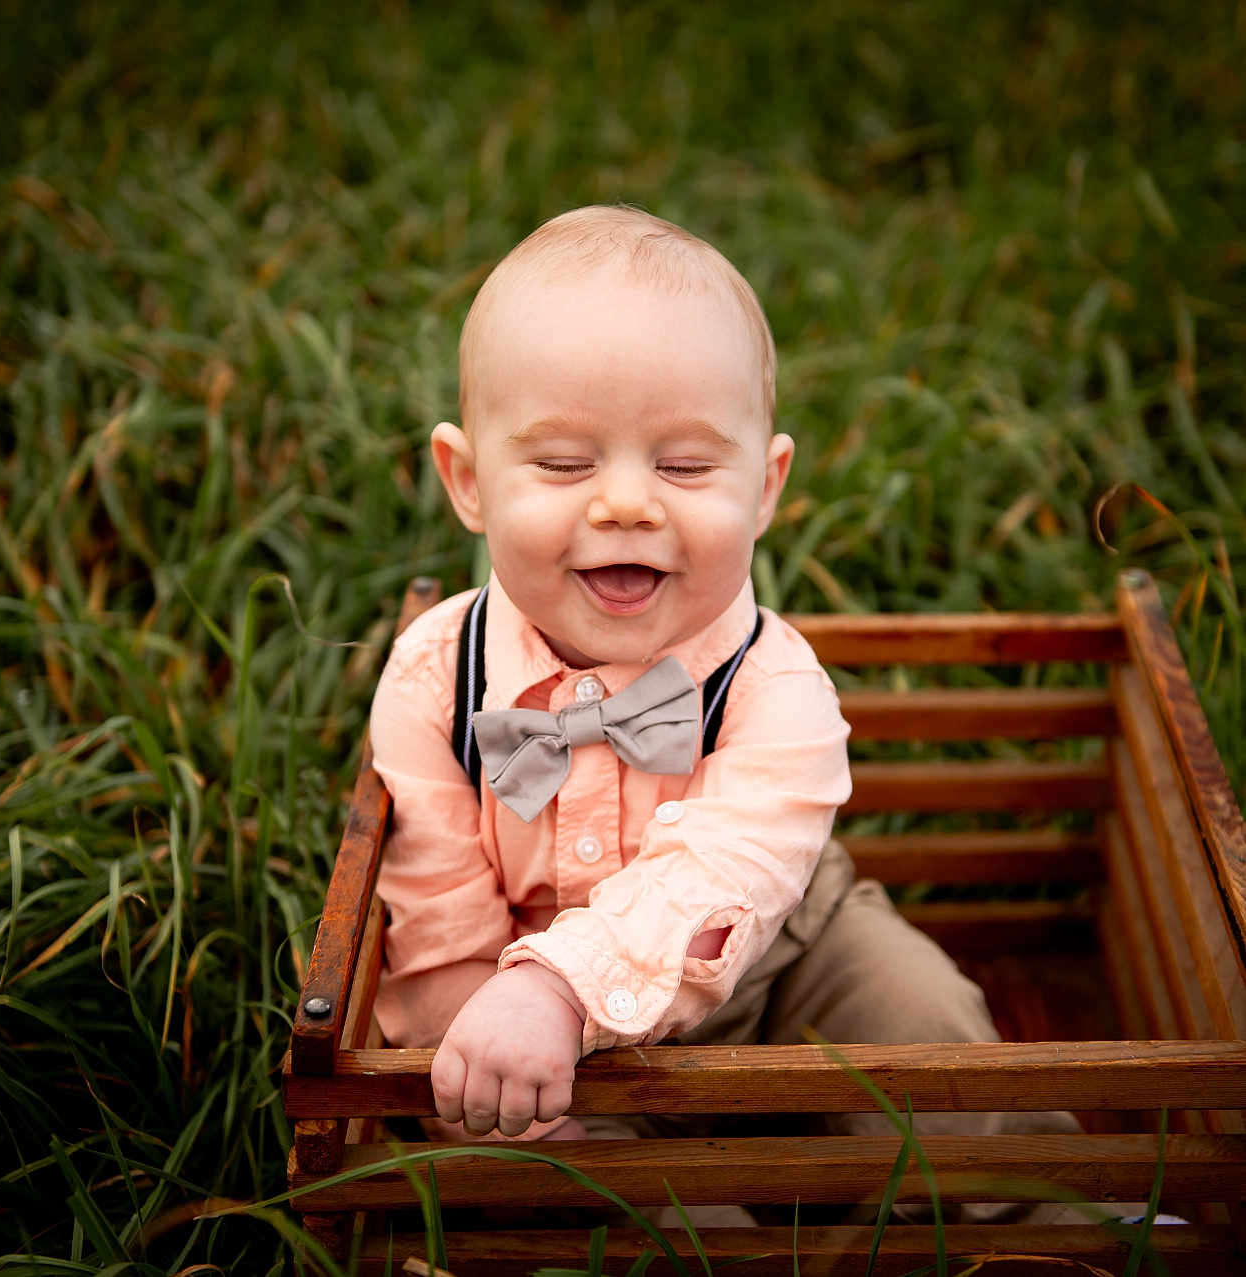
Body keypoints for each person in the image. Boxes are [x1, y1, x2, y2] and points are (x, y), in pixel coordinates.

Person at [368, 206, 1079, 1220]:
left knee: (926, 1024)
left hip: (785, 954)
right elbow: (434, 915)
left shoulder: (775, 686)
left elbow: (725, 871)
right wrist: (493, 1035)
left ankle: (1059, 1214)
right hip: (537, 1025)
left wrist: (562, 986)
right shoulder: (433, 677)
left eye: (687, 465)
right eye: (564, 463)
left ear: (766, 486)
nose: (625, 503)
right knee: (619, 1199)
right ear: (468, 480)